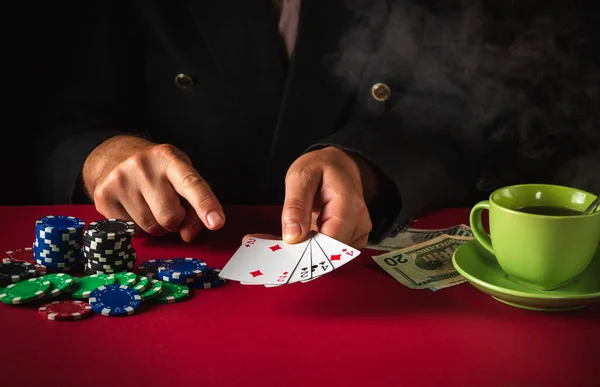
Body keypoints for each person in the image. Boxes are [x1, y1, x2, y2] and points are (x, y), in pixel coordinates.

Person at [34, 0, 599, 249]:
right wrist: (102, 155)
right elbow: (50, 119)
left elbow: (480, 114)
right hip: (176, 262)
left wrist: (365, 167)